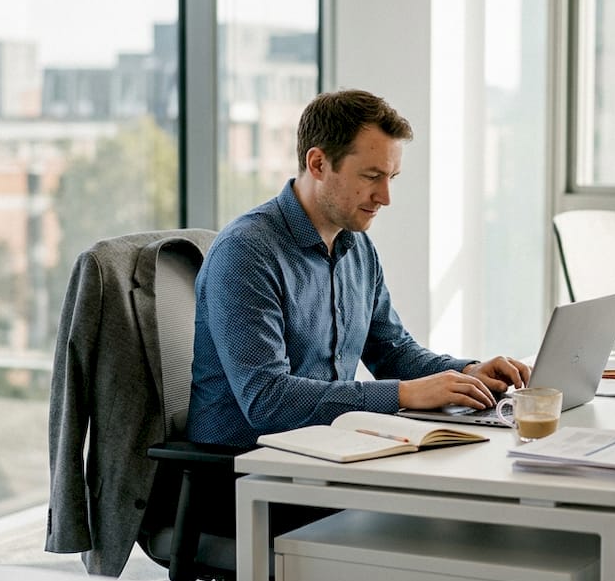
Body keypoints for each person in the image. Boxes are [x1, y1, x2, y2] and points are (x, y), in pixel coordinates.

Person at [189, 89, 531, 449]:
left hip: (328, 453)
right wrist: (404, 394)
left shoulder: (357, 246)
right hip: (243, 471)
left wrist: (467, 373)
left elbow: (392, 352)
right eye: (371, 176)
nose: (385, 197)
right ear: (318, 164)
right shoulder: (246, 251)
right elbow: (267, 399)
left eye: (391, 178)